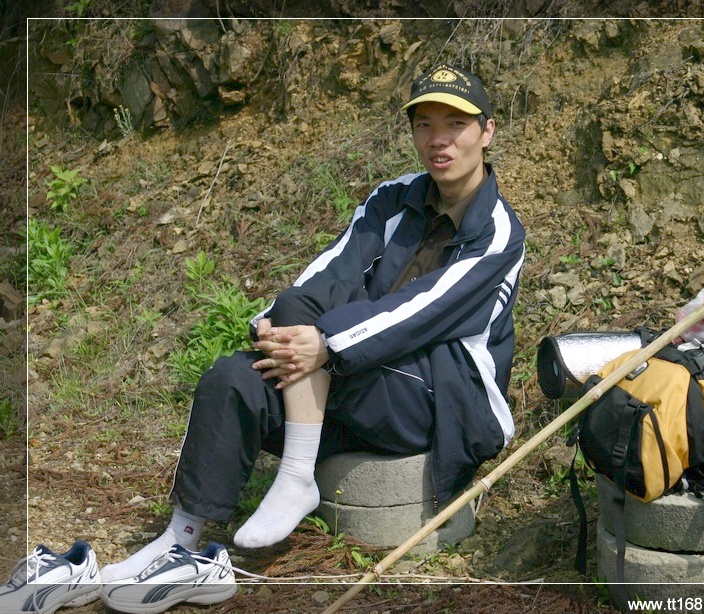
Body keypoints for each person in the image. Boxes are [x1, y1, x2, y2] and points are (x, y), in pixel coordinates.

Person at [99, 63, 526, 583]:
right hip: (359, 375)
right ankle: (181, 539)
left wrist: (326, 342)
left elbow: (421, 312)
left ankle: (298, 474)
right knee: (236, 374)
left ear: (487, 131)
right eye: (424, 124)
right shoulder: (395, 197)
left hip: (438, 397)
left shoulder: (499, 233)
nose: (439, 140)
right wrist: (280, 329)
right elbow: (331, 271)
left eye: (455, 125)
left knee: (320, 328)